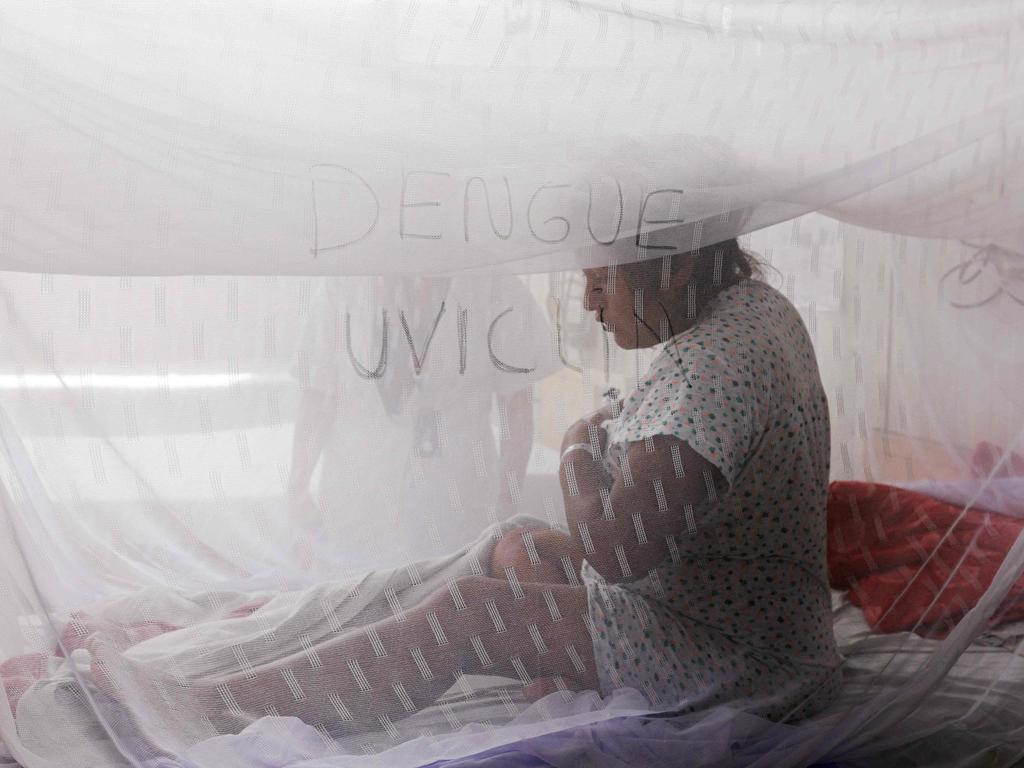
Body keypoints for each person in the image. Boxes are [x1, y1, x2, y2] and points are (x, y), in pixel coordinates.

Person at [195, 237, 842, 733]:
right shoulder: (754, 311)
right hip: (721, 617)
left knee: (470, 611)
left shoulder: (716, 361)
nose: (590, 303)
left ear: (672, 267)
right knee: (517, 547)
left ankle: (222, 702)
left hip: (730, 657)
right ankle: (289, 639)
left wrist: (574, 454)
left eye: (599, 282)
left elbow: (617, 553)